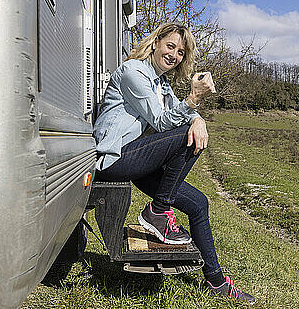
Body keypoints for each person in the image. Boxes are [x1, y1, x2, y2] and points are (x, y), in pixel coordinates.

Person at [93, 22, 255, 303]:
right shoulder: (134, 72)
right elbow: (162, 121)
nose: (174, 55)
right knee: (186, 137)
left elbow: (178, 115)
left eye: (180, 52)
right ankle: (158, 211)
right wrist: (193, 100)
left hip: (138, 159)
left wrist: (197, 117)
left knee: (198, 203)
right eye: (170, 46)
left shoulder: (161, 83)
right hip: (114, 157)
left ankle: (216, 282)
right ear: (155, 42)